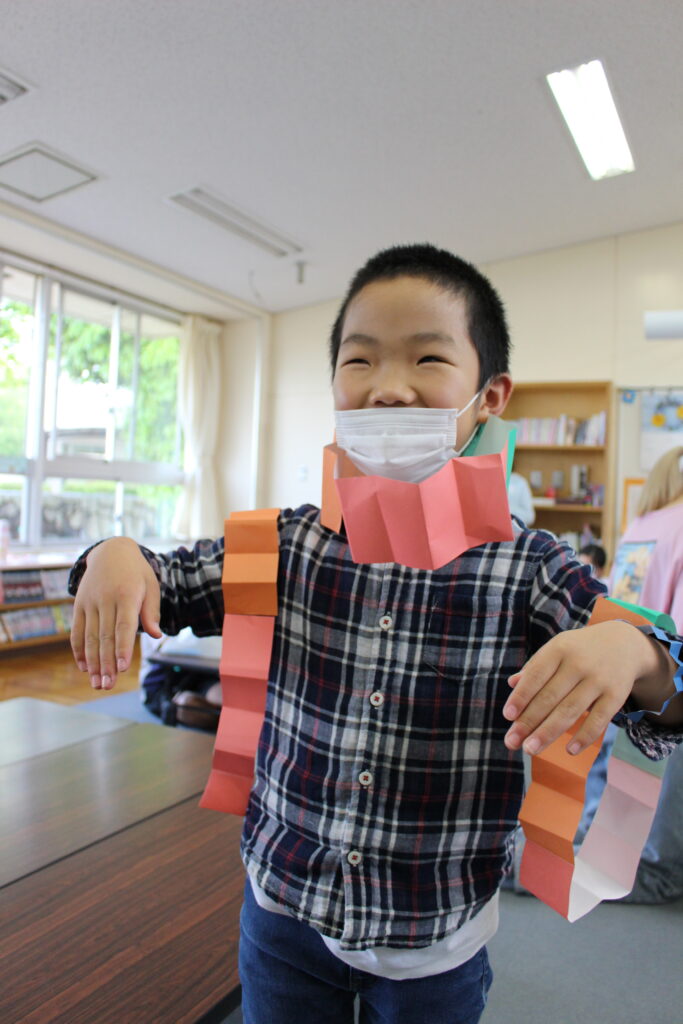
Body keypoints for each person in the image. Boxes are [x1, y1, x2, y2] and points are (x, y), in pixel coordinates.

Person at [68, 245, 683, 1024]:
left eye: (428, 358)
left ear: (489, 396)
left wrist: (635, 652)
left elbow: (666, 694)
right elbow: (167, 577)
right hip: (282, 906)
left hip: (434, 937)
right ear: (334, 387)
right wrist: (114, 554)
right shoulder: (286, 544)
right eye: (358, 361)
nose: (388, 387)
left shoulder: (530, 568)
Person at [577, 445, 683, 903]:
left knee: (610, 773)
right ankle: (655, 869)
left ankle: (590, 845)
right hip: (661, 677)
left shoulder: (639, 526)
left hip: (618, 666)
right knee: (657, 783)